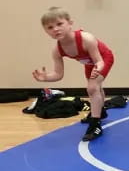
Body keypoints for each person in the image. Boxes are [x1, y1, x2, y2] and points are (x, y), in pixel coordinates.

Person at [32, 7, 114, 142]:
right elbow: (58, 74)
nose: (56, 29)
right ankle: (101, 111)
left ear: (70, 23)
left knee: (92, 88)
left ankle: (95, 124)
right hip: (89, 63)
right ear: (46, 32)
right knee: (95, 88)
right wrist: (45, 78)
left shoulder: (86, 38)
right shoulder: (57, 50)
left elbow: (99, 61)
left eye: (59, 24)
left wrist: (98, 67)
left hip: (103, 58)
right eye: (50, 27)